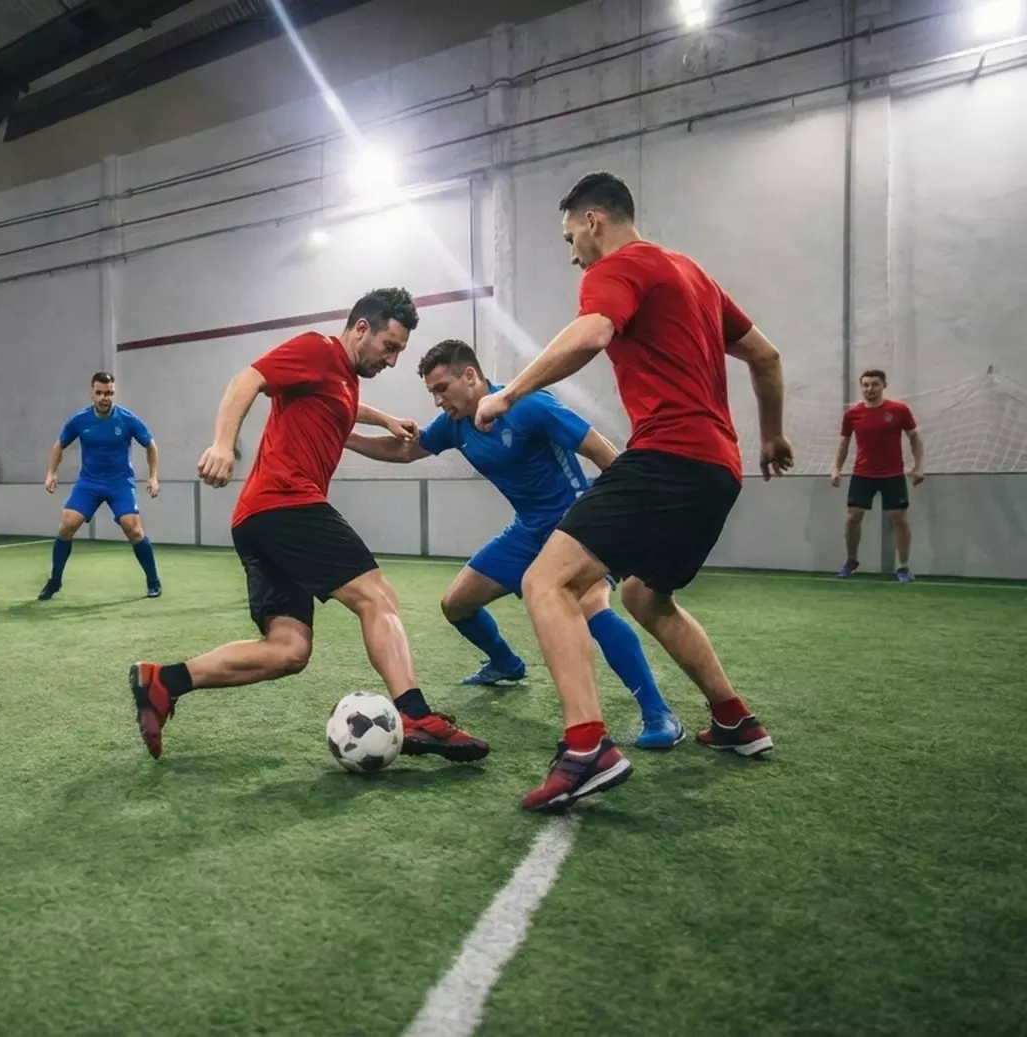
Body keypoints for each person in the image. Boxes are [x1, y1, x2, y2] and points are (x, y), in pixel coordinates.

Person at [472, 172, 794, 812]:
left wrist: (509, 394)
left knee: (546, 582)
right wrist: (773, 438)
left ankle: (587, 747)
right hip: (718, 468)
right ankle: (734, 718)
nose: (572, 254)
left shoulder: (619, 267)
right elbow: (767, 357)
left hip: (668, 455)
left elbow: (591, 335)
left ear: (595, 220)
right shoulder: (692, 276)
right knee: (646, 595)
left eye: (571, 237)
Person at [128, 288, 489, 763]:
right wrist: (222, 443)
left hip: (257, 519)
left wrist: (383, 418)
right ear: (362, 329)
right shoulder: (317, 349)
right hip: (287, 504)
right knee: (376, 596)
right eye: (390, 346)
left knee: (288, 650)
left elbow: (342, 406)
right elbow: (248, 379)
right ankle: (415, 714)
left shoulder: (340, 379)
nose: (393, 360)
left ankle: (163, 681)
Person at [346, 339, 686, 749]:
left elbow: (603, 451)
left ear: (470, 376)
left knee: (591, 608)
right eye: (432, 393)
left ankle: (658, 712)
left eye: (441, 388)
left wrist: (624, 518)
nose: (437, 401)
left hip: (576, 522)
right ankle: (507, 664)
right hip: (527, 530)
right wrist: (343, 436)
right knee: (456, 604)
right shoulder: (456, 424)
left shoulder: (529, 405)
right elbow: (402, 452)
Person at [40, 372, 163, 599]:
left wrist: (153, 477)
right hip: (89, 483)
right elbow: (59, 446)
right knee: (67, 525)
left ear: (113, 393)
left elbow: (151, 446)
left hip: (120, 483)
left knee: (133, 529)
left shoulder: (127, 419)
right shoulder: (79, 420)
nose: (104, 398)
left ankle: (153, 581)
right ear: (92, 394)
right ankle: (55, 581)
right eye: (99, 393)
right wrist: (52, 473)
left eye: (109, 393)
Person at [831, 369, 925, 581]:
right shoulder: (852, 414)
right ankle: (851, 560)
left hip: (893, 474)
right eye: (865, 385)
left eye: (874, 384)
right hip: (863, 473)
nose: (869, 389)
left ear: (883, 385)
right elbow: (844, 442)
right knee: (853, 517)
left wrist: (919, 466)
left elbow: (915, 437)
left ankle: (903, 566)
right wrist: (836, 468)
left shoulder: (899, 410)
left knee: (899, 519)